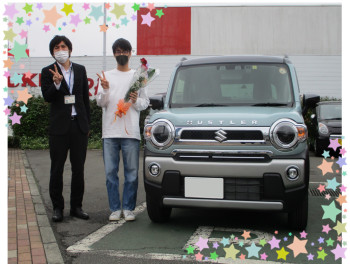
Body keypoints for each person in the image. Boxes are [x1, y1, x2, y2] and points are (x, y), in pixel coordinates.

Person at [96, 38, 149, 221]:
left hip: (131, 133)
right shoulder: (106, 76)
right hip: (109, 133)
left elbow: (145, 104)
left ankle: (128, 208)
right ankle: (114, 208)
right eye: (118, 51)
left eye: (124, 51)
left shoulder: (138, 76)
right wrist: (105, 90)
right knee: (111, 173)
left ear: (130, 53)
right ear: (114, 54)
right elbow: (100, 103)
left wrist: (135, 100)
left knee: (131, 174)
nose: (121, 54)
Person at [41, 35, 90, 222]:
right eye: (56, 47)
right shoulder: (47, 71)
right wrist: (57, 83)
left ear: (69, 49)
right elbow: (47, 97)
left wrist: (86, 126)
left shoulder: (80, 69)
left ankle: (76, 206)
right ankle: (57, 208)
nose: (60, 50)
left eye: (63, 46)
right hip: (59, 128)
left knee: (79, 169)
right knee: (57, 169)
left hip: (78, 127)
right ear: (52, 52)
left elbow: (84, 99)